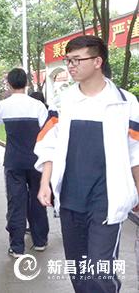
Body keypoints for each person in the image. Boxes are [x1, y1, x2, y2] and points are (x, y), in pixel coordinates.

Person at [36, 35, 139, 293]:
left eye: (76, 60)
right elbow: (48, 143)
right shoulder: (63, 101)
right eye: (67, 60)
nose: (70, 65)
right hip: (70, 196)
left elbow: (136, 151)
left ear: (97, 61)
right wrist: (44, 183)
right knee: (79, 270)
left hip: (107, 197)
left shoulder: (125, 103)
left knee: (99, 270)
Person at [0, 68, 49, 258]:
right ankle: (40, 240)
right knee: (38, 199)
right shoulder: (38, 106)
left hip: (13, 161)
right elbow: (45, 131)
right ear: (26, 83)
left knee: (16, 203)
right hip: (36, 160)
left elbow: (0, 124)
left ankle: (17, 246)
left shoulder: (3, 106)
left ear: (9, 84)